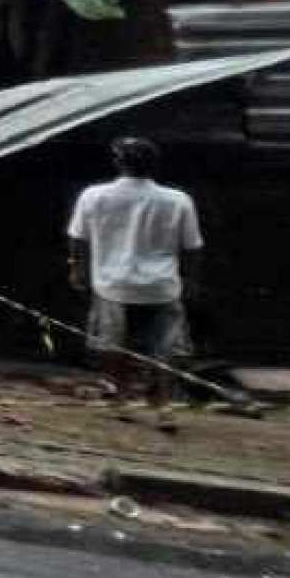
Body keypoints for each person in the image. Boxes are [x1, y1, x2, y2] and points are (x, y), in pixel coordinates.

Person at [68, 136, 202, 405]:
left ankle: (119, 394)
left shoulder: (94, 196)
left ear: (118, 163)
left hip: (112, 284)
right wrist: (191, 280)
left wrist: (77, 270)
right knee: (165, 347)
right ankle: (163, 401)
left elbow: (78, 238)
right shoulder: (178, 200)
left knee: (112, 345)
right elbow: (192, 247)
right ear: (155, 165)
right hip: (161, 286)